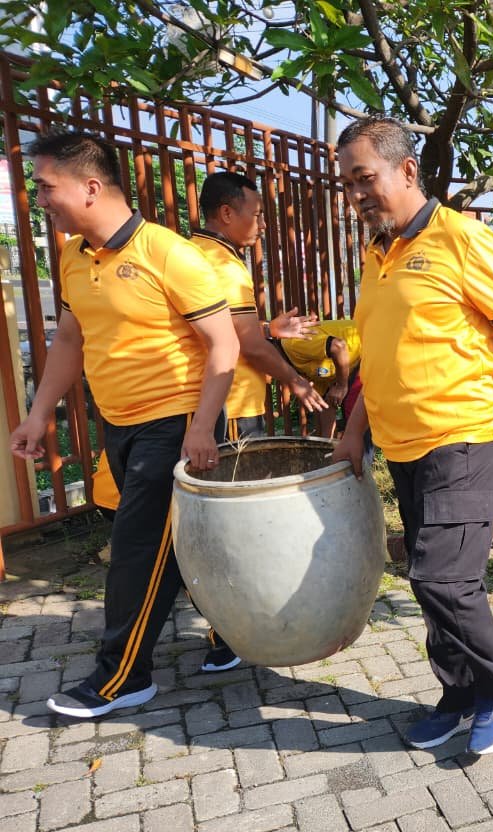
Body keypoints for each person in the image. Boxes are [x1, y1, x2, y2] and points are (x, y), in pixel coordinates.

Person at [330, 117, 493, 756]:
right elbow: (378, 356)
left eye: (364, 179)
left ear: (407, 170)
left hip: (464, 437)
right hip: (402, 445)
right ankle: (459, 694)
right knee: (434, 578)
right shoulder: (377, 255)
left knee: (441, 577)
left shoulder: (462, 238)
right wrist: (354, 432)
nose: (356, 195)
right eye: (347, 184)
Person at [11, 131, 239, 718]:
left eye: (46, 187)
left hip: (177, 422)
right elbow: (70, 339)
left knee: (137, 550)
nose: (39, 199)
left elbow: (224, 345)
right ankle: (234, 629)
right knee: (187, 542)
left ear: (90, 187)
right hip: (120, 423)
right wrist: (39, 413)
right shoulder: (72, 256)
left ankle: (122, 677)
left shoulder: (167, 253)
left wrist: (201, 428)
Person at [190, 171, 327, 672]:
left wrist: (269, 327)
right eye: (256, 213)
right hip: (230, 407)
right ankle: (228, 633)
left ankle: (228, 625)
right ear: (227, 213)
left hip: (214, 403)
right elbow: (245, 345)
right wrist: (295, 381)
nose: (262, 224)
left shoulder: (192, 254)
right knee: (229, 525)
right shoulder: (225, 265)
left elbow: (230, 329)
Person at [280, 320, 362, 439]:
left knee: (356, 417)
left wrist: (341, 386)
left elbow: (338, 346)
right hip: (359, 363)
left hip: (372, 348)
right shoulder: (303, 370)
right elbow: (327, 403)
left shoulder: (292, 344)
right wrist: (326, 442)